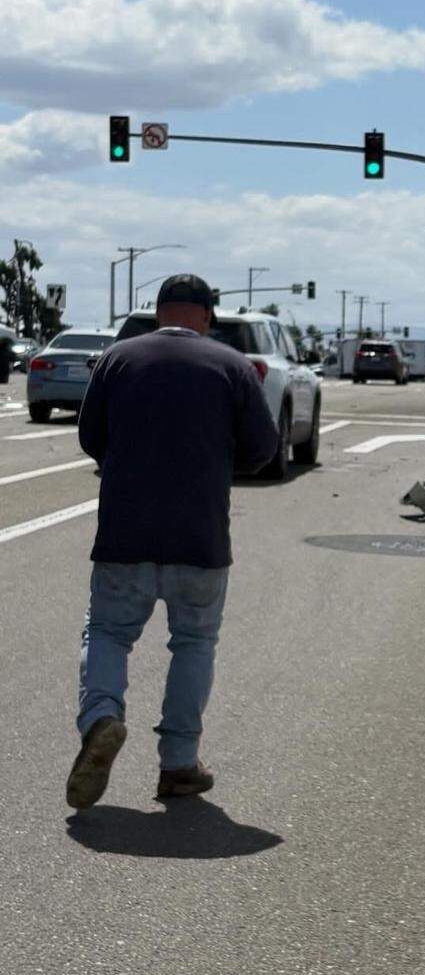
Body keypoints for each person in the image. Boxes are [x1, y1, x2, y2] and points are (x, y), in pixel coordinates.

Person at [66, 273, 280, 810]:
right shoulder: (231, 366)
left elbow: (91, 437)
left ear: (159, 311)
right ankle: (179, 765)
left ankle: (101, 719)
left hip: (125, 532)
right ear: (208, 316)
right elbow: (260, 449)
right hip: (200, 536)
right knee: (193, 644)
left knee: (109, 632)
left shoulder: (119, 359)